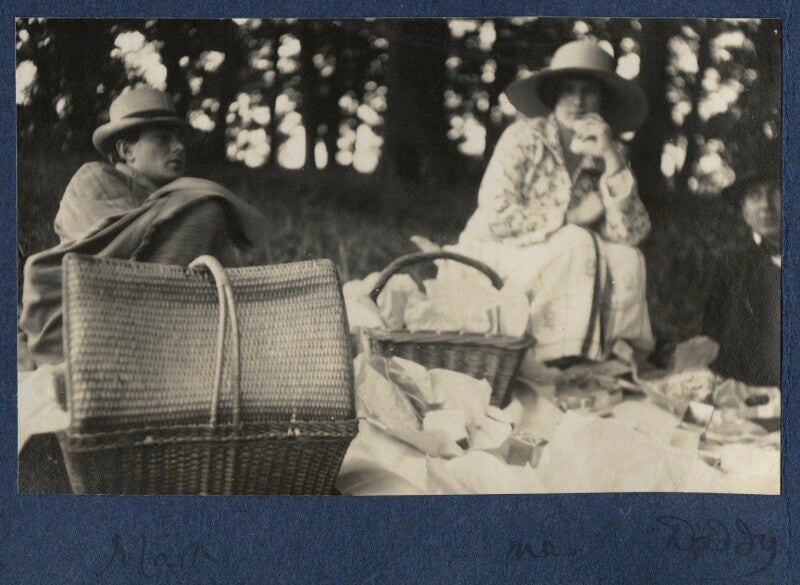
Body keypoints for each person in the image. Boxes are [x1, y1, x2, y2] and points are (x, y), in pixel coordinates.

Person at [20, 87, 269, 367]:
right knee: (207, 212)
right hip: (88, 322)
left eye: (179, 139)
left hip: (151, 322)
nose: (179, 147)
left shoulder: (171, 199)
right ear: (126, 151)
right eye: (163, 138)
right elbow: (109, 264)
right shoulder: (94, 178)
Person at [443, 39, 654, 364]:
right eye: (569, 90)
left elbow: (630, 233)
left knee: (627, 258)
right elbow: (496, 214)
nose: (578, 101)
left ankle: (612, 358)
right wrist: (568, 218)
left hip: (566, 264)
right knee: (575, 239)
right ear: (554, 94)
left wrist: (611, 158)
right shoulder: (523, 138)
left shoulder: (608, 152)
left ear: (603, 99)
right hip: (498, 254)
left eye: (589, 91)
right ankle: (553, 358)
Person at [703, 171, 781, 387]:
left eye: (776, 192)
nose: (766, 205)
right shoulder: (730, 267)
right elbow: (713, 338)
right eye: (755, 196)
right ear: (745, 212)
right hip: (744, 394)